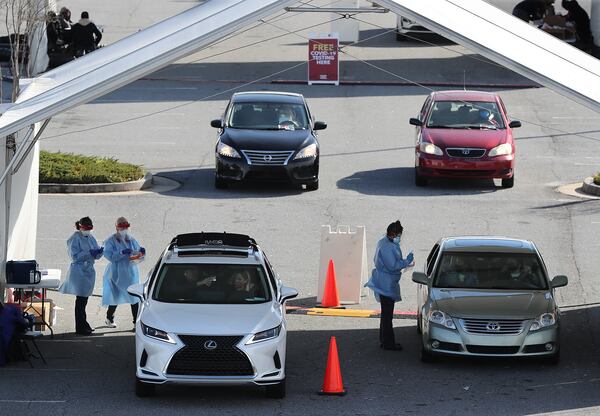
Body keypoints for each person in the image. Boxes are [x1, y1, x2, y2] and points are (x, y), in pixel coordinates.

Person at [364, 220, 414, 351]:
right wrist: (406, 262)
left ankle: (384, 340)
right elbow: (393, 266)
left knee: (385, 315)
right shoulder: (387, 247)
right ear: (393, 234)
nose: (399, 238)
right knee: (387, 315)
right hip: (387, 284)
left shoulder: (384, 242)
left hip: (385, 282)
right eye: (399, 235)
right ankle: (388, 343)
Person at [58, 217, 103, 336]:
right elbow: (75, 256)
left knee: (84, 300)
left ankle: (84, 324)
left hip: (88, 270)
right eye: (86, 228)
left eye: (90, 228)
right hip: (79, 271)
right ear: (80, 227)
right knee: (81, 300)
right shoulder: (75, 238)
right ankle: (80, 327)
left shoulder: (91, 237)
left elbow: (96, 255)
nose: (88, 230)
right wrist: (89, 253)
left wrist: (100, 252)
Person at [102, 217, 145, 328]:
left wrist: (141, 254)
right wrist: (121, 252)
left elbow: (136, 255)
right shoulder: (110, 241)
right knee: (115, 296)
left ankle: (136, 322)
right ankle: (109, 318)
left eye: (126, 227)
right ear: (117, 228)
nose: (124, 229)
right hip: (116, 272)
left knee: (134, 297)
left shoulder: (131, 239)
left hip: (130, 271)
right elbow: (109, 256)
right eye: (122, 227)